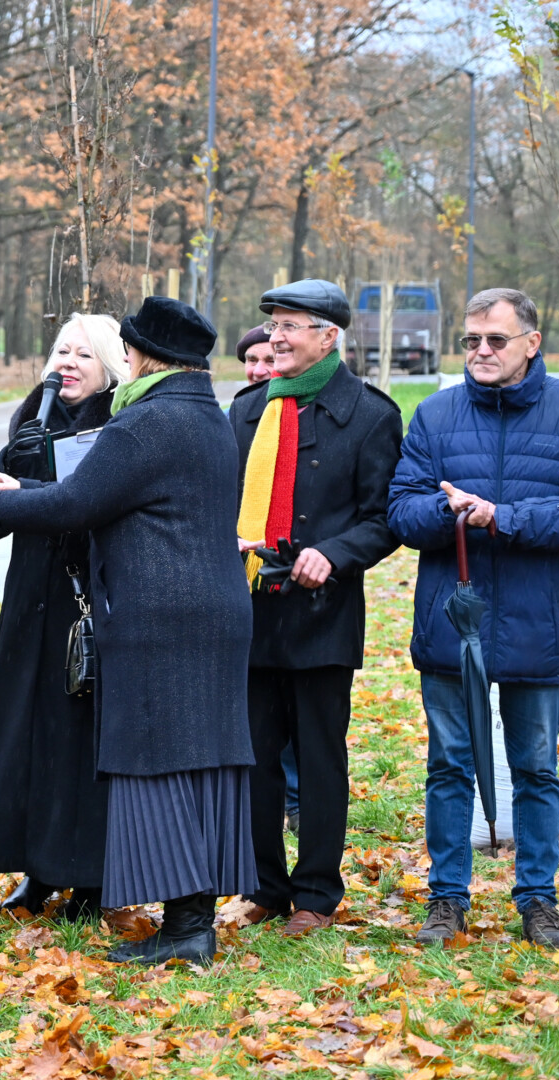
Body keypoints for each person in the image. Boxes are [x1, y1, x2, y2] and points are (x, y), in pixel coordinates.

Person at [0, 296, 255, 965]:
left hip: (159, 619)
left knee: (157, 767)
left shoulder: (145, 422)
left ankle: (186, 931)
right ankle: (193, 924)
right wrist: (18, 493)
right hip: (215, 612)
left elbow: (78, 502)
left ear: (142, 356)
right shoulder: (208, 414)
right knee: (202, 766)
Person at [389, 288, 559, 949]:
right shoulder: (434, 415)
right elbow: (401, 509)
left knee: (537, 770)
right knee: (449, 766)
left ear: (531, 342)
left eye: (496, 339)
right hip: (452, 626)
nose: (481, 351)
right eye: (471, 340)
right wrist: (447, 512)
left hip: (541, 624)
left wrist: (505, 517)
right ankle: (447, 899)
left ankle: (538, 901)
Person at [229, 281, 402, 937]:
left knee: (320, 759)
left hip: (323, 615)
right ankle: (264, 887)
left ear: (328, 336)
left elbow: (384, 518)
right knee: (253, 758)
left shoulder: (370, 416)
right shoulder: (248, 409)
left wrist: (333, 552)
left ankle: (316, 896)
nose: (275, 337)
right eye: (273, 324)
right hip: (249, 612)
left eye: (290, 325)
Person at [0, 313, 125, 919]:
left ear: (110, 366)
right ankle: (36, 868)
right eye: (61, 351)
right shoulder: (34, 420)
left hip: (88, 600)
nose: (68, 363)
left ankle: (90, 877)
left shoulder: (119, 428)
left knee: (76, 739)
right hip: (31, 600)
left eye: (84, 354)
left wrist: (27, 490)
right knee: (26, 735)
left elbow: (90, 510)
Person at [235, 324, 302, 833]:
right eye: (251, 361)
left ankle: (297, 800)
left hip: (299, 585)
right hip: (243, 582)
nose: (259, 370)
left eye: (267, 360)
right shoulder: (239, 413)